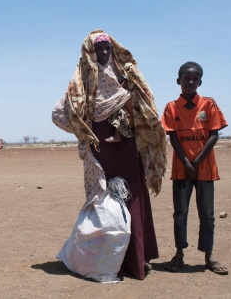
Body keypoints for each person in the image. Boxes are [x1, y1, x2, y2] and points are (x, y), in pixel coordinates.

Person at [52, 29, 167, 281]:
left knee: (132, 197)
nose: (104, 53)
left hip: (127, 146)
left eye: (107, 49)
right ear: (90, 53)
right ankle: (104, 261)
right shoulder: (81, 82)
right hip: (101, 150)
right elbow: (59, 114)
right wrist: (85, 131)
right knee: (103, 201)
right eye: (99, 50)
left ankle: (136, 261)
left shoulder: (125, 75)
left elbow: (144, 103)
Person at [161, 61, 229, 275]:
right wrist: (187, 163)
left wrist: (197, 162)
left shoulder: (209, 105)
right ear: (178, 81)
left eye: (195, 79)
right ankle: (179, 254)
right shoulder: (171, 107)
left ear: (200, 81)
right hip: (182, 169)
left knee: (207, 214)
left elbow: (214, 135)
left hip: (205, 169)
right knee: (180, 213)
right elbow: (172, 137)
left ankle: (208, 256)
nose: (190, 82)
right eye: (186, 78)